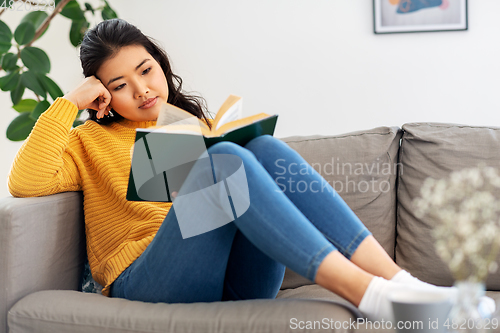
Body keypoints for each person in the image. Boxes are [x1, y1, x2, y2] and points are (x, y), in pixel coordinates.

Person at [6, 18, 485, 322]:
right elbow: (26, 181)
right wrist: (69, 103)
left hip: (231, 282)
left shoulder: (195, 124)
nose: (142, 88)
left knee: (263, 148)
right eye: (120, 84)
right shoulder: (88, 140)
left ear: (160, 64)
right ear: (102, 94)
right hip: (145, 280)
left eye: (146, 70)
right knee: (227, 161)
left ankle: (399, 282)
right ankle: (371, 296)